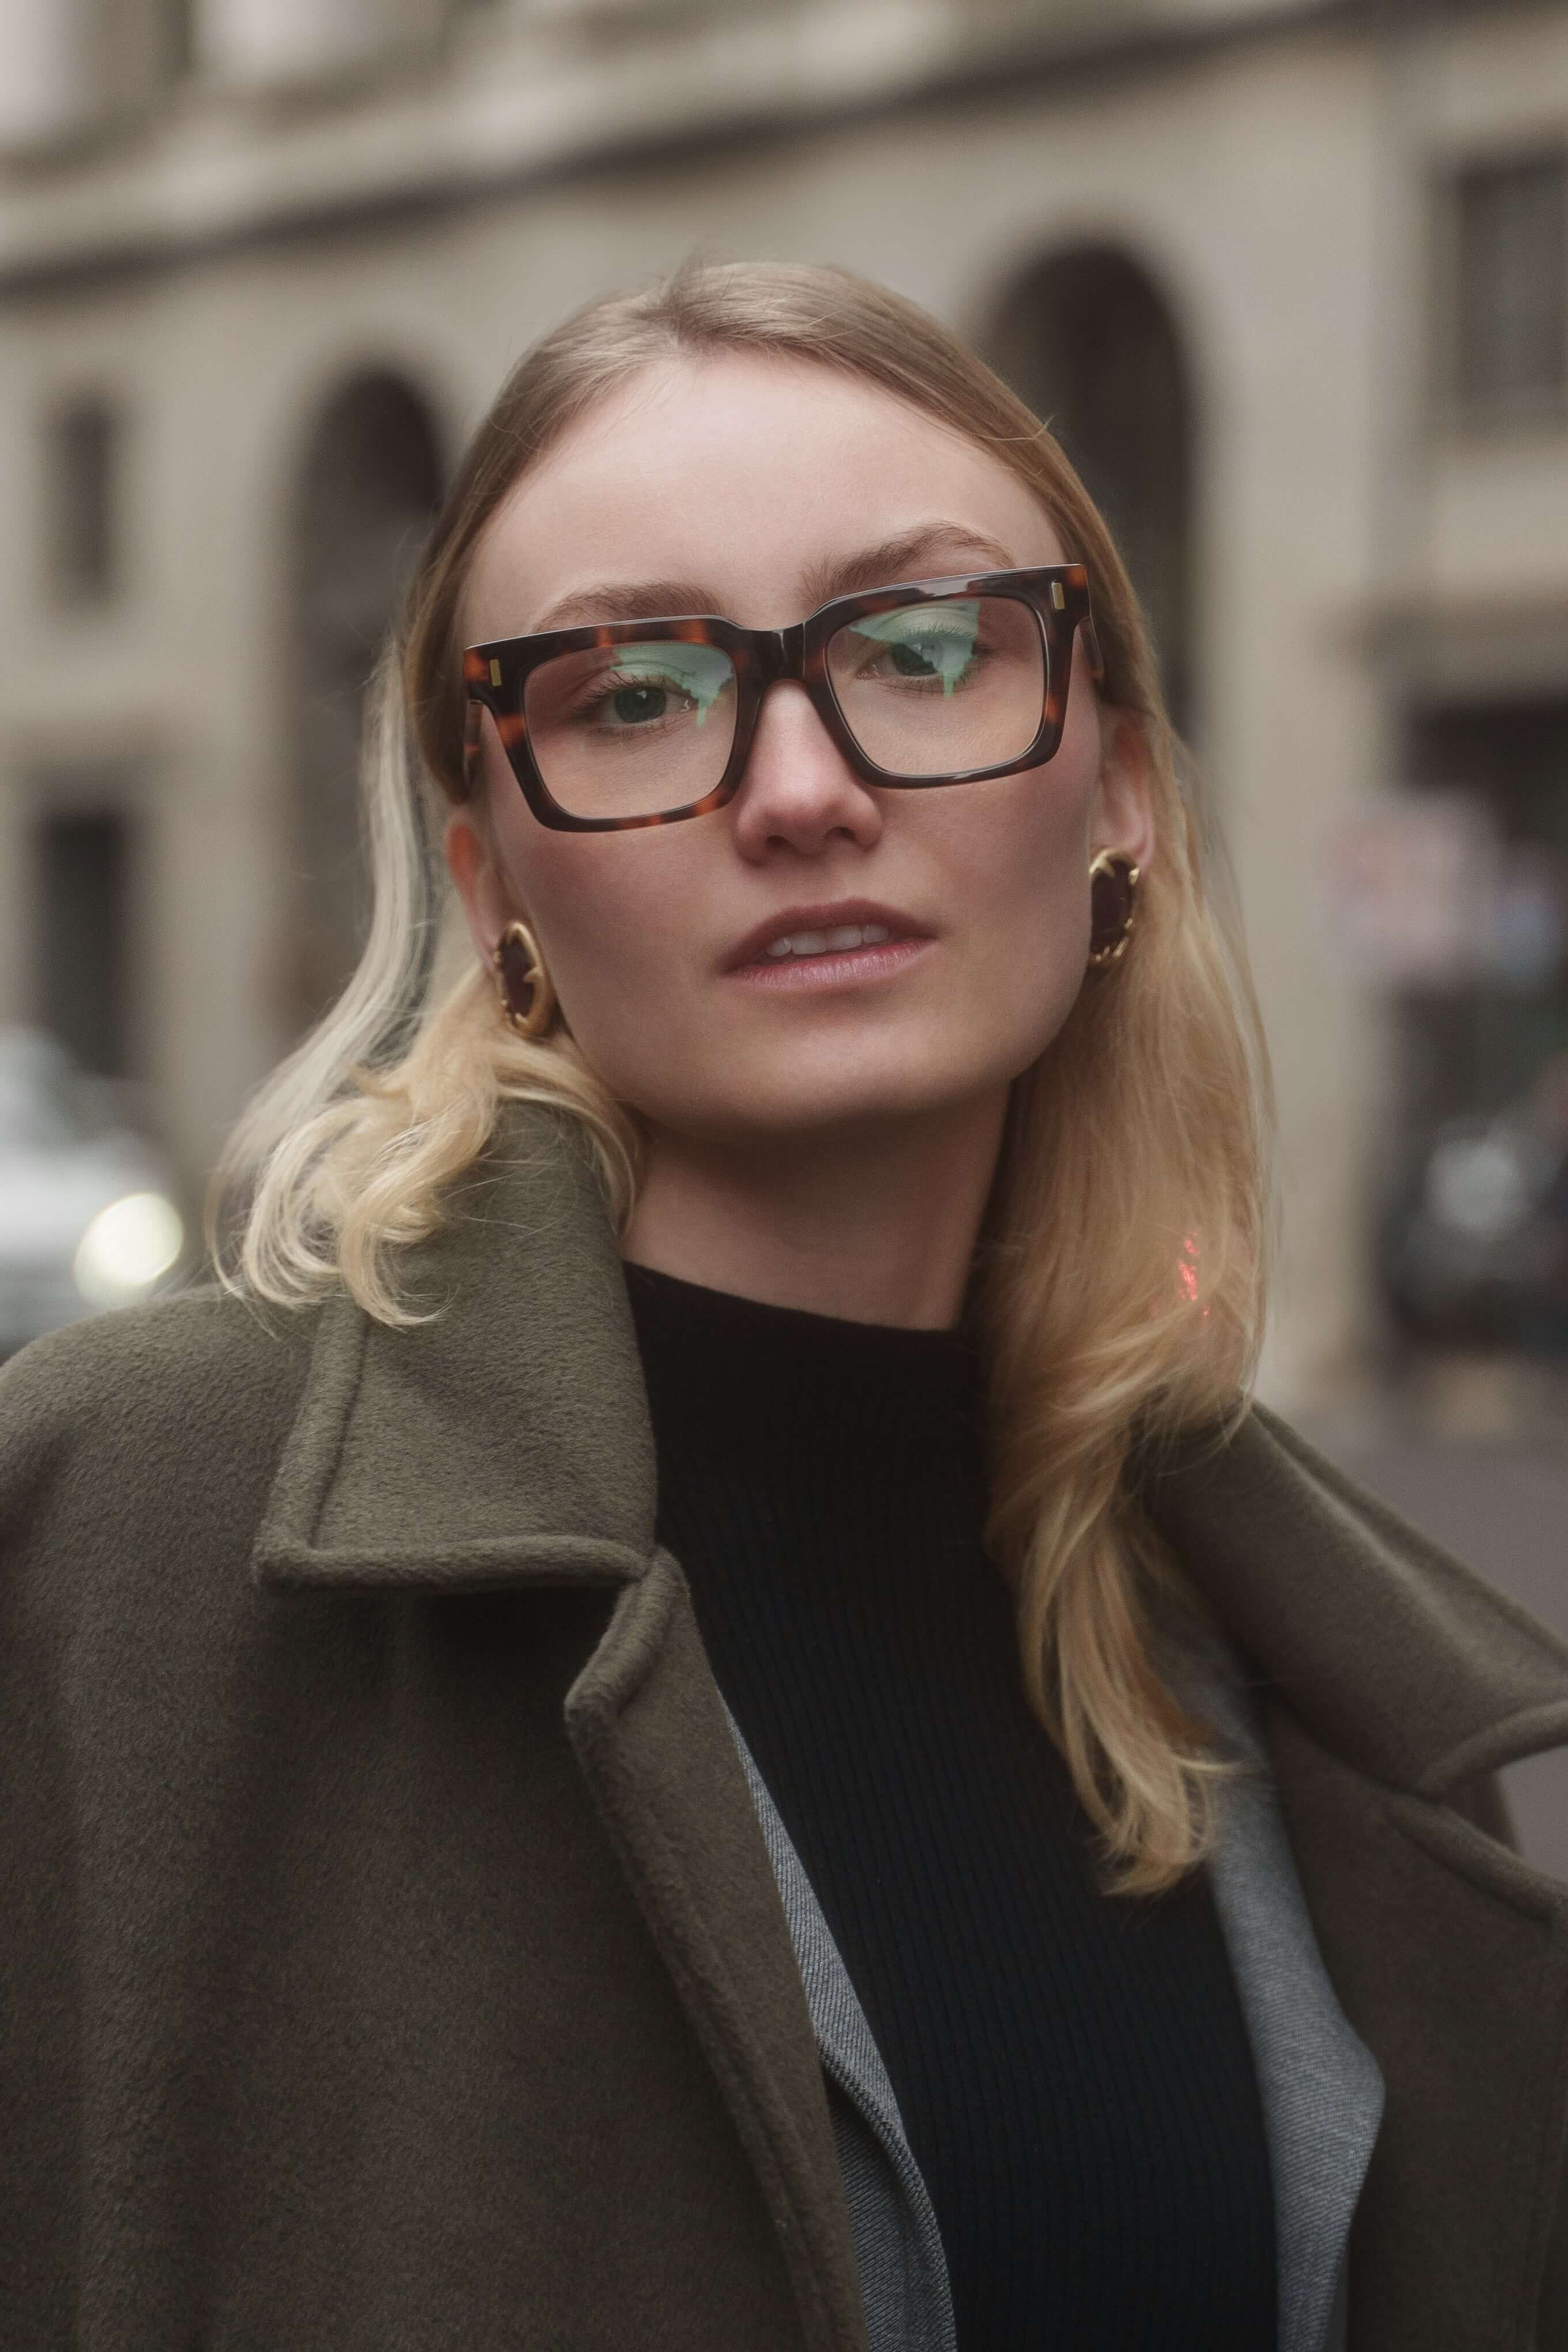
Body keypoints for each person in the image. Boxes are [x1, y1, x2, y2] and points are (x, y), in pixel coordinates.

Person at [2, 261, 1564, 2352]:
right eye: (634, 696)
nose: (799, 785)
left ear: (1116, 793)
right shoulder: (139, 1516)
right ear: (496, 892)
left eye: (921, 649)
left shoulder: (1307, 1670)